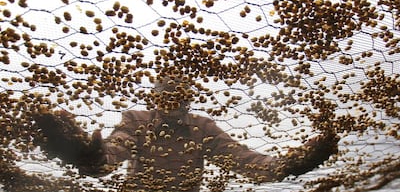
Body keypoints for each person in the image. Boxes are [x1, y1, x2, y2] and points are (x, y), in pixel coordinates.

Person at [32, 75, 339, 192]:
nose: (173, 102)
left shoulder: (201, 127)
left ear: (189, 99)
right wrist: (93, 155)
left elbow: (242, 159)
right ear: (155, 97)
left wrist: (286, 165)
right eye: (166, 95)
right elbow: (117, 148)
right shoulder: (137, 120)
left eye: (180, 96)